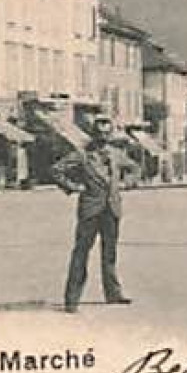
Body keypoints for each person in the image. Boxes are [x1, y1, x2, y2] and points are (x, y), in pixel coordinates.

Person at [51, 115, 132, 313]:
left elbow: (134, 168)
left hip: (112, 209)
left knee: (110, 253)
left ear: (111, 134)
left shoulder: (116, 154)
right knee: (81, 253)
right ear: (93, 135)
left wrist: (126, 183)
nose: (103, 138)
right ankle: (72, 300)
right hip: (90, 210)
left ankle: (113, 293)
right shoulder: (82, 155)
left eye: (106, 133)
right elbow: (56, 170)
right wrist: (73, 187)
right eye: (99, 134)